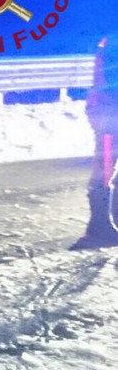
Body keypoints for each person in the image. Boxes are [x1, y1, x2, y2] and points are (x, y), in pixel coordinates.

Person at [72, 35, 118, 249]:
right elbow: (109, 80)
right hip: (109, 112)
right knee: (105, 168)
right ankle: (98, 226)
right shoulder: (113, 41)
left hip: (107, 109)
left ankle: (103, 223)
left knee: (107, 167)